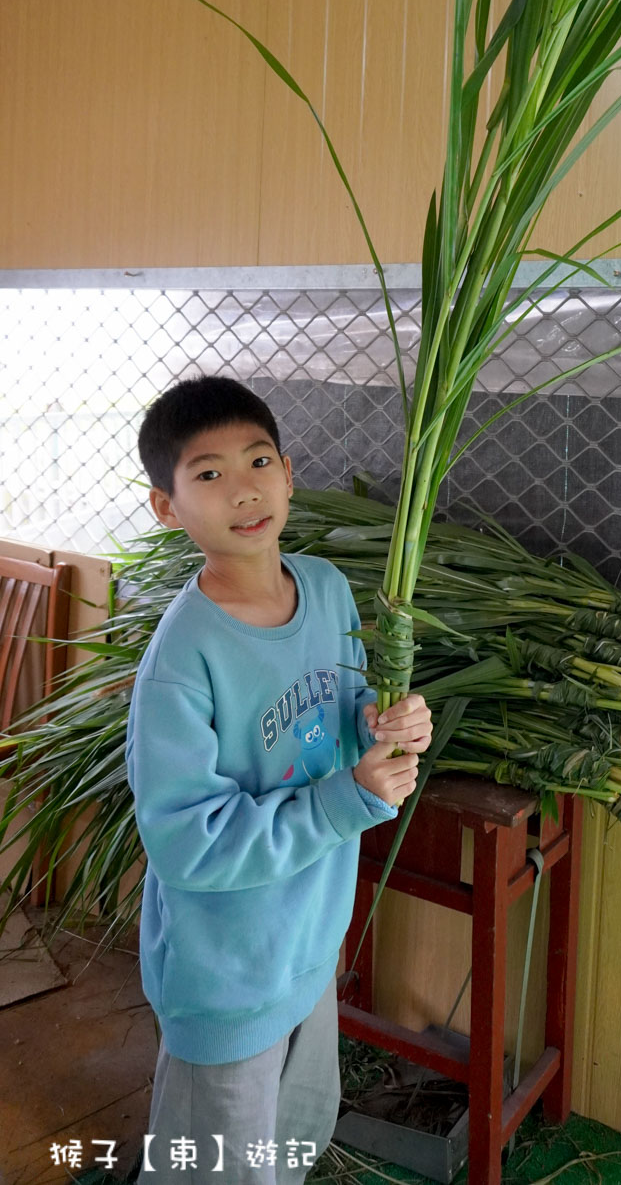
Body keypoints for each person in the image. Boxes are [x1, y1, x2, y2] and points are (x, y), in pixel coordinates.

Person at [125, 374, 432, 1183]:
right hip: (225, 975)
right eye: (209, 474)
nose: (244, 489)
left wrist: (388, 722)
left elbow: (349, 701)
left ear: (290, 472)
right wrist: (346, 801)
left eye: (259, 460)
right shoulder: (183, 661)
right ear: (168, 507)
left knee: (288, 1146)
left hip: (307, 942)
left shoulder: (326, 588)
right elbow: (191, 846)